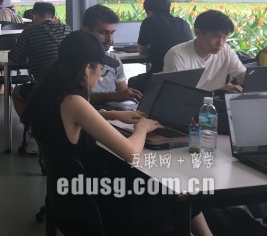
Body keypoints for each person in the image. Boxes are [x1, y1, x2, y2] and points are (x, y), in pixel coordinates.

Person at [25, 31, 212, 236]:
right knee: (175, 194)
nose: (100, 75)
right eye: (102, 69)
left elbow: (73, 117)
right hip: (101, 206)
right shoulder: (75, 101)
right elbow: (131, 153)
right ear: (87, 69)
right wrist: (142, 128)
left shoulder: (48, 93)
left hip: (71, 199)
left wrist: (113, 114)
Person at [9, 2, 72, 153]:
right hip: (70, 87)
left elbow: (14, 60)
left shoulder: (30, 31)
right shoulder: (67, 29)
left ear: (35, 17)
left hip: (44, 88)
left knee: (16, 92)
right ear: (53, 16)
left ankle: (33, 130)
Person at [163, 9, 246, 92]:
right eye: (216, 37)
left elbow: (244, 77)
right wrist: (217, 92)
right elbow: (177, 95)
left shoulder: (226, 50)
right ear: (198, 33)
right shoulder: (177, 55)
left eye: (224, 37)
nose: (220, 43)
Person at [82, 5, 142, 110]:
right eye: (103, 32)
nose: (110, 39)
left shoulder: (113, 59)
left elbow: (123, 93)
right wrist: (111, 96)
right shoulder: (75, 59)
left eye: (112, 33)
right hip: (89, 113)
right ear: (86, 31)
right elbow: (75, 97)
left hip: (115, 112)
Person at [137, 0, 192, 74]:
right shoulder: (183, 23)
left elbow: (142, 51)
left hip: (161, 74)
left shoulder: (148, 22)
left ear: (149, 12)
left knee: (132, 80)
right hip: (188, 73)